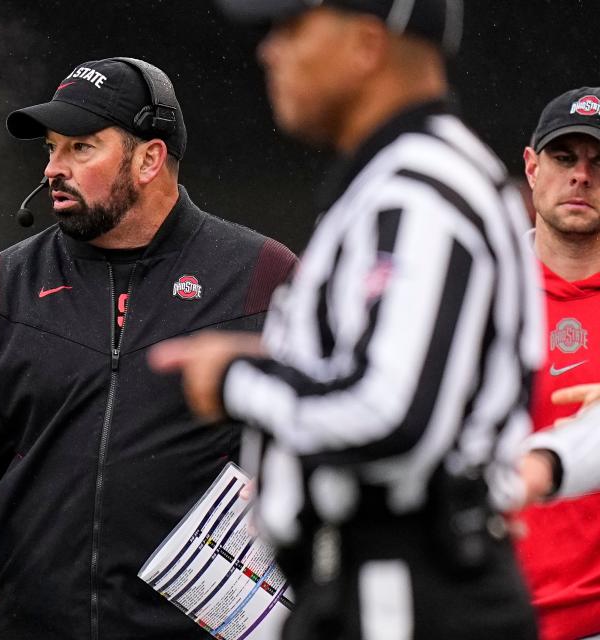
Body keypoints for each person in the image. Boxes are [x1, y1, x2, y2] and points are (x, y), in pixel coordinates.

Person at [150, 2, 543, 638]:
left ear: (366, 44)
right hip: (375, 583)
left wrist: (236, 380)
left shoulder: (422, 191)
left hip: (408, 592)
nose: (270, 51)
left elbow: (393, 413)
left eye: (293, 28)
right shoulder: (397, 181)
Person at [0, 56, 297, 639]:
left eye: (81, 148)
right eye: (51, 148)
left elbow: (326, 430)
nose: (55, 168)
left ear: (150, 158)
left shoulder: (262, 278)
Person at [509, 87, 600, 640]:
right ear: (532, 166)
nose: (581, 177)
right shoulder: (476, 296)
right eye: (565, 158)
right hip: (490, 617)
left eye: (599, 163)